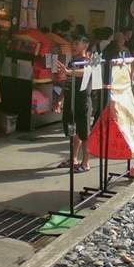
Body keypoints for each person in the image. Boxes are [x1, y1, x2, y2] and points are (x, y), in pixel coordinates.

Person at [55, 36, 93, 171]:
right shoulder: (73, 61)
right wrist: (60, 99)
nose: (73, 46)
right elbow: (68, 82)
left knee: (84, 133)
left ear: (85, 45)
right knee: (73, 131)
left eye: (77, 43)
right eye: (73, 43)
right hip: (71, 101)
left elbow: (86, 72)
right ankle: (73, 158)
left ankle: (86, 162)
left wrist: (69, 71)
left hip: (82, 101)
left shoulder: (88, 60)